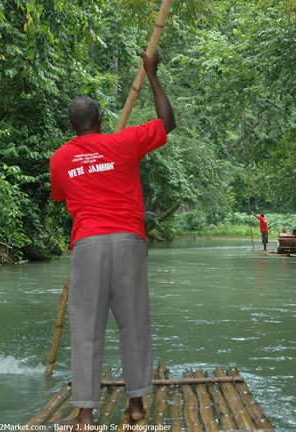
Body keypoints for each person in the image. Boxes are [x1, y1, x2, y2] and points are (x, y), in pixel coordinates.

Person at [49, 50, 175, 429]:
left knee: (86, 330)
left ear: (72, 126)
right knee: (134, 323)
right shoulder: (126, 142)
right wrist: (151, 74)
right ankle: (136, 405)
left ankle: (85, 414)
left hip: (87, 245)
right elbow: (167, 122)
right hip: (129, 241)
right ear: (100, 121)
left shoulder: (59, 159)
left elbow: (64, 198)